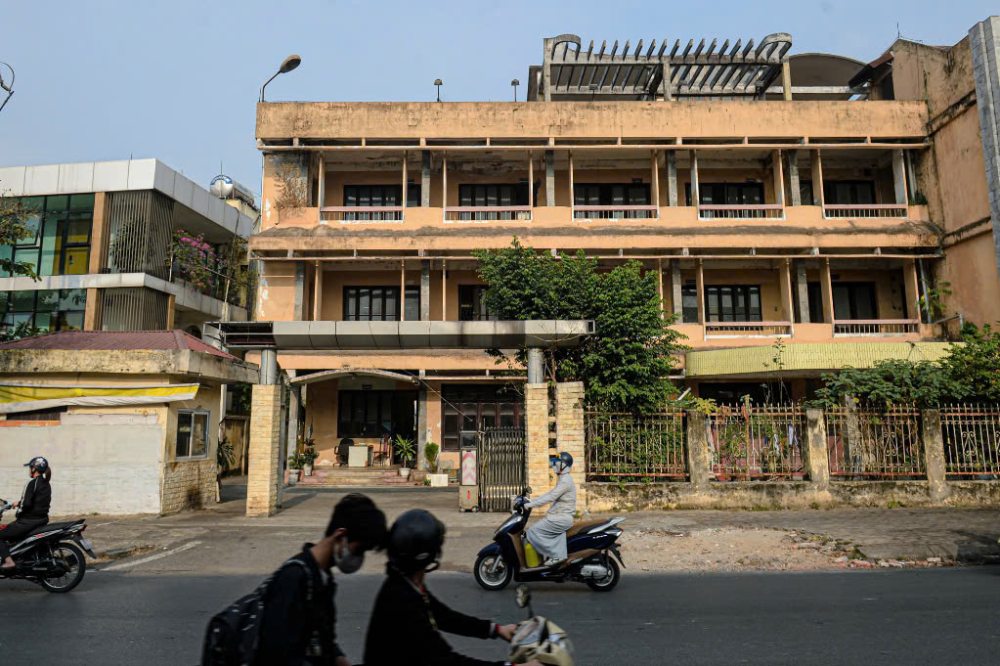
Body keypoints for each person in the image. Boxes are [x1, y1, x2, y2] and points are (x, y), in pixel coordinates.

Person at [364, 509, 542, 666]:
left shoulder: (406, 584)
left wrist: (496, 629)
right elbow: (446, 661)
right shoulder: (403, 600)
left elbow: (443, 616)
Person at [255, 493, 388, 665]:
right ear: (340, 536)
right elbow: (278, 652)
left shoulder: (323, 578)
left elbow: (321, 638)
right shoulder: (294, 578)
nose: (359, 559)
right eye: (359, 550)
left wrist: (338, 657)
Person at [524, 452, 576, 567]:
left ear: (563, 465)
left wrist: (531, 505)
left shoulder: (565, 481)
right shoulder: (563, 479)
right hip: (559, 517)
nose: (554, 465)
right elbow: (550, 494)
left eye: (556, 463)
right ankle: (554, 557)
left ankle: (556, 556)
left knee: (533, 532)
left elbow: (551, 497)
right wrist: (531, 502)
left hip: (560, 518)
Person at [1, 456, 52, 572]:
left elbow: (27, 504)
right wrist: (19, 503)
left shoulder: (32, 483)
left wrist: (20, 509)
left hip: (28, 521)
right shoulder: (46, 483)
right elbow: (36, 501)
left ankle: (9, 562)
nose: (29, 470)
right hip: (41, 519)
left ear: (34, 469)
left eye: (30, 467)